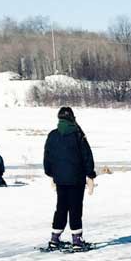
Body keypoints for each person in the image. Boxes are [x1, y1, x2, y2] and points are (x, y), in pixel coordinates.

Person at [43, 107, 96, 249]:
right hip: (76, 179)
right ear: (72, 118)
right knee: (75, 208)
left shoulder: (52, 135)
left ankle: (54, 239)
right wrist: (90, 175)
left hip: (60, 179)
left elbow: (47, 157)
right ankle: (77, 241)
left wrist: (51, 174)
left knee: (61, 207)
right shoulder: (78, 135)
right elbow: (87, 157)